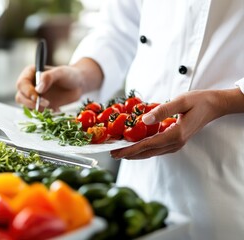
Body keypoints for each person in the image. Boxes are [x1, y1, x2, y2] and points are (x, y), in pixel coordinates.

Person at [15, 1, 244, 239]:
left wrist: (224, 100)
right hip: (137, 177)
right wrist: (81, 76)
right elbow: (119, 30)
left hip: (227, 174)